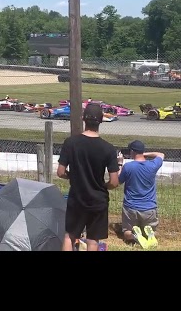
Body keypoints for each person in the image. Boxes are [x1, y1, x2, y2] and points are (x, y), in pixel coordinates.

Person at [57, 103, 119, 251]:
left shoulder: (70, 143)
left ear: (84, 119)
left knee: (69, 236)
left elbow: (60, 172)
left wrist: (73, 176)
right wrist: (104, 186)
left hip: (77, 197)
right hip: (98, 200)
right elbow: (114, 182)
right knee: (92, 239)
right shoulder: (109, 149)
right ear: (102, 120)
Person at [117, 140, 164, 248]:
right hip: (149, 208)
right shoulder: (152, 165)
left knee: (126, 232)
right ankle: (149, 234)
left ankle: (134, 236)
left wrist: (120, 163)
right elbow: (161, 154)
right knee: (152, 229)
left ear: (132, 152)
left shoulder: (128, 167)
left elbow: (118, 181)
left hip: (131, 208)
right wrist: (144, 154)